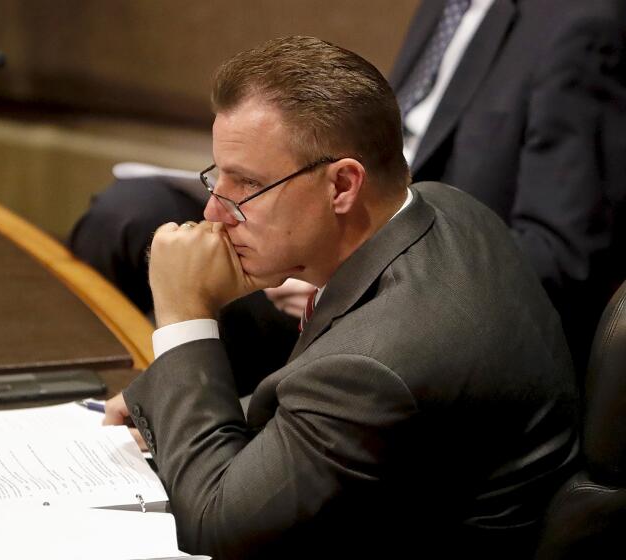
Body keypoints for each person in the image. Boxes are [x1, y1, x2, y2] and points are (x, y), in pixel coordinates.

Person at [103, 36, 578, 559]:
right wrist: (169, 396)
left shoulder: (376, 363)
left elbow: (214, 528)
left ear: (343, 186)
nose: (216, 213)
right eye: (218, 178)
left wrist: (184, 315)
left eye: (247, 185)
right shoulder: (445, 208)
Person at [68, 0, 626, 369]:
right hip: (340, 220)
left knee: (179, 274)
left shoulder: (583, 22)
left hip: (407, 282)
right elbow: (395, 133)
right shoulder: (452, 5)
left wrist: (343, 276)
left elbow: (564, 262)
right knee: (130, 212)